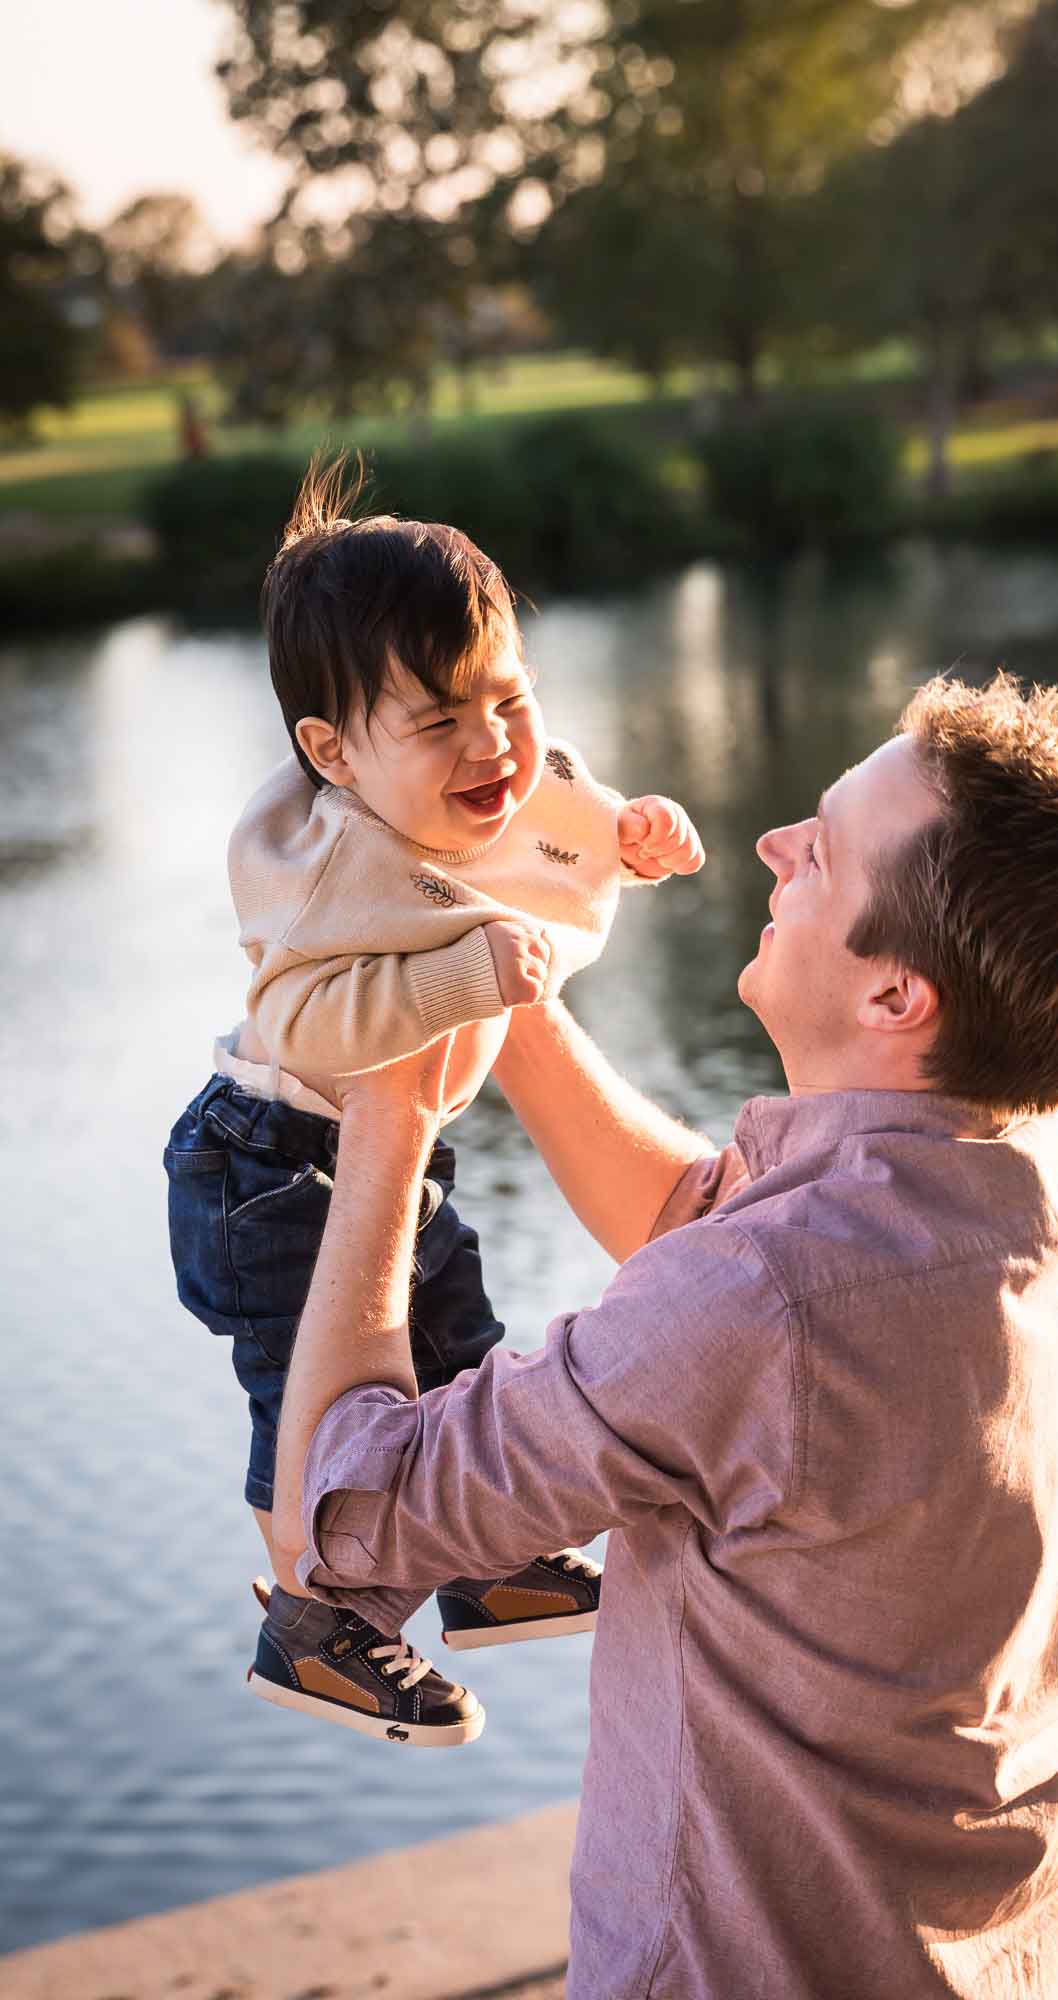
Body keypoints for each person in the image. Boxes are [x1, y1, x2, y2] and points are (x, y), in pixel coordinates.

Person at [273, 674, 1058, 1997]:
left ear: (897, 996)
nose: (774, 843)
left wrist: (387, 1129)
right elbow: (703, 1236)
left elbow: (344, 1519)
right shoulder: (1054, 1176)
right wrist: (500, 995)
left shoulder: (765, 1305)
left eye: (822, 848)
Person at [163, 454, 704, 1748]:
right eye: (441, 722)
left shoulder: (493, 778)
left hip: (390, 1160)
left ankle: (485, 1565)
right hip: (269, 1163)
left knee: (460, 1358)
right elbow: (306, 1023)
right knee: (310, 1389)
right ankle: (312, 1624)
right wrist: (466, 971)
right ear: (331, 753)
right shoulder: (329, 864)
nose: (493, 746)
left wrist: (631, 835)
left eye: (506, 699)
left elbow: (555, 824)